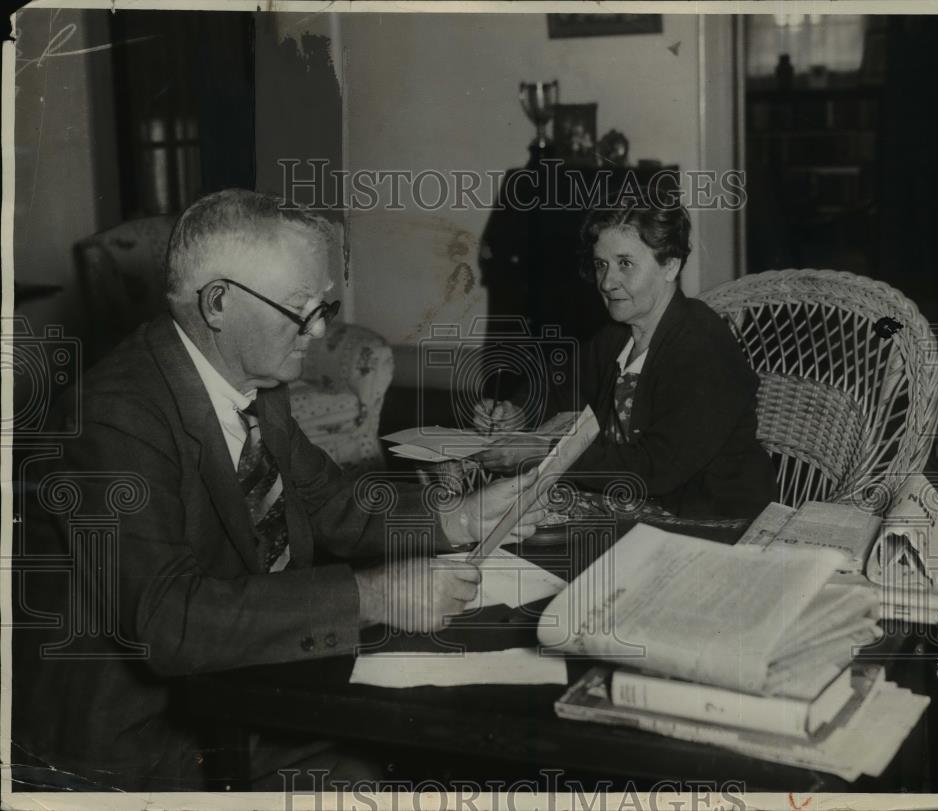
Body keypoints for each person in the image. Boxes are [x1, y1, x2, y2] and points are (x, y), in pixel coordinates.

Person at [12, 189, 543, 792]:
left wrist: (460, 519)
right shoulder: (112, 419)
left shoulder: (259, 387)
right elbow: (167, 621)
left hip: (234, 694)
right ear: (218, 303)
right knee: (391, 769)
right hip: (134, 746)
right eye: (300, 309)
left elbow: (337, 506)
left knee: (437, 748)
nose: (318, 330)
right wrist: (371, 594)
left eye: (325, 306)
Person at [474, 200, 778, 519]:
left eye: (625, 264)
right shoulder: (617, 335)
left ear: (670, 266)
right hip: (645, 509)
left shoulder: (702, 345)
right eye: (601, 264)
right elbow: (561, 386)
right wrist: (517, 412)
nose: (606, 282)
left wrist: (547, 452)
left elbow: (653, 469)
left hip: (717, 519)